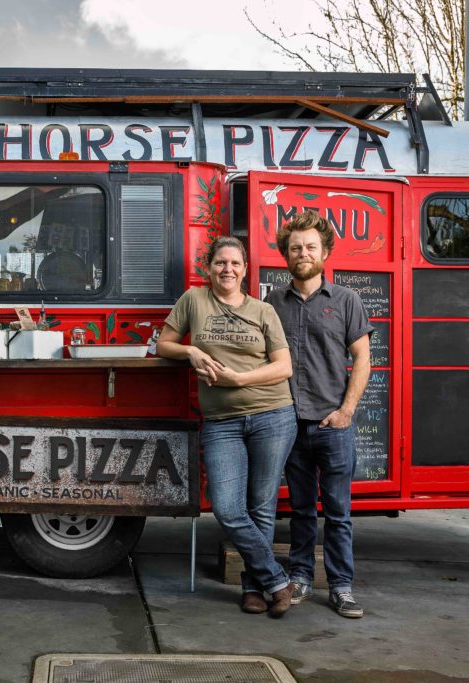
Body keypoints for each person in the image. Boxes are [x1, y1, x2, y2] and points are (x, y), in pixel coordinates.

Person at [156, 236, 297, 617]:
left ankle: (254, 588)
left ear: (245, 269)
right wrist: (191, 350)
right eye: (220, 263)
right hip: (221, 422)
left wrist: (239, 381)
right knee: (228, 507)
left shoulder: (263, 310)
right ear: (209, 268)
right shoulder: (194, 300)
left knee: (262, 507)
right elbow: (162, 345)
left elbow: (283, 367)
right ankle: (277, 581)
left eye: (235, 263)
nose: (227, 270)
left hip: (272, 414)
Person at [264, 211, 373, 619]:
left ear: (325, 252)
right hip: (289, 426)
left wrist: (346, 411)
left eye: (311, 247)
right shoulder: (272, 303)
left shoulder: (347, 301)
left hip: (333, 426)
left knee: (339, 513)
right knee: (300, 510)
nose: (303, 253)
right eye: (295, 248)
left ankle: (342, 587)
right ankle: (301, 579)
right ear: (285, 255)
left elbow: (363, 359)